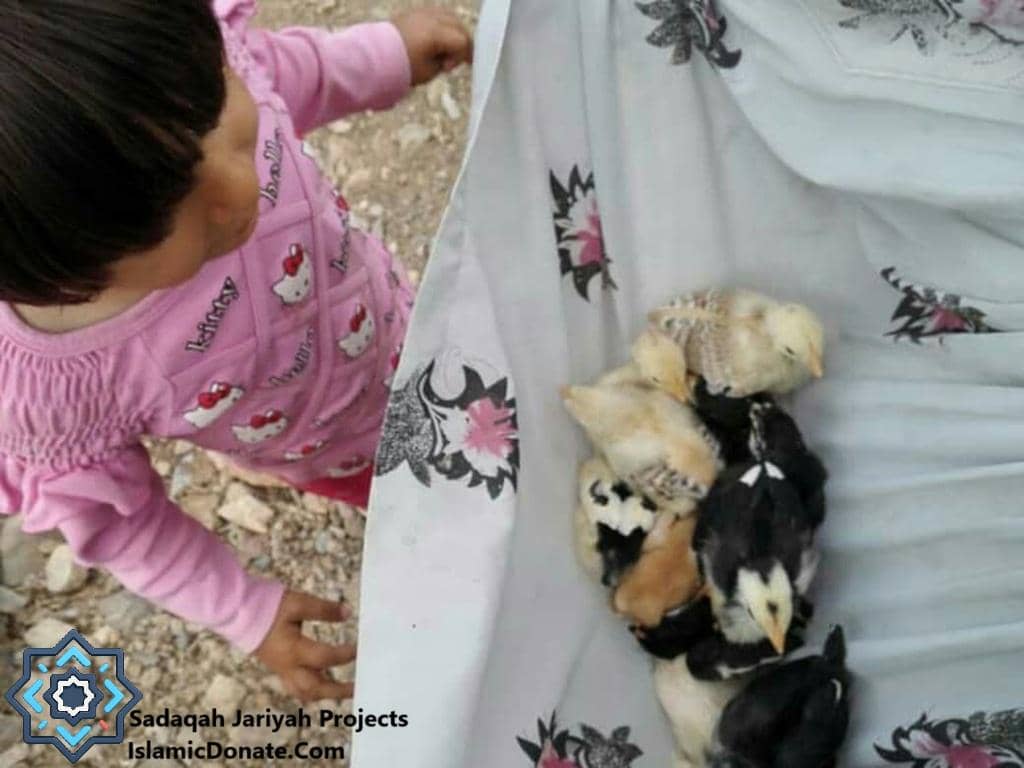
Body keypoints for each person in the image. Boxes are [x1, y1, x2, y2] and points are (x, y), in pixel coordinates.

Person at [0, 0, 472, 702]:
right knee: (453, 507)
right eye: (170, 215)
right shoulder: (57, 384)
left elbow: (287, 74)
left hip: (414, 324)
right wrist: (242, 608)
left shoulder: (184, 82)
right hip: (346, 453)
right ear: (63, 276)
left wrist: (383, 57)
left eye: (216, 106)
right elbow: (124, 525)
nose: (241, 184)